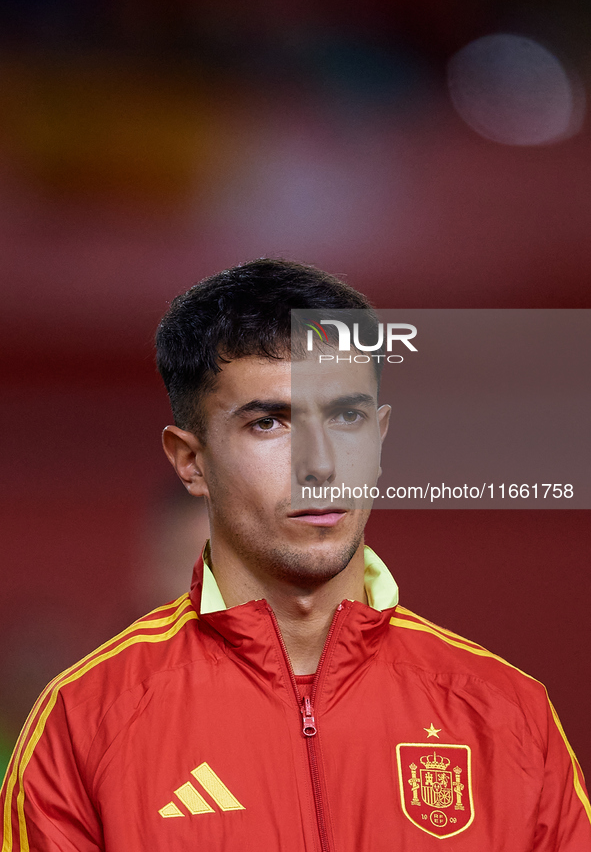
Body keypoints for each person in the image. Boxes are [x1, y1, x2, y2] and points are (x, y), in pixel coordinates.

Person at [1, 258, 589, 851]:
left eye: (347, 417)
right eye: (270, 423)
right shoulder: (83, 723)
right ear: (190, 460)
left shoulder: (508, 715)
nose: (321, 465)